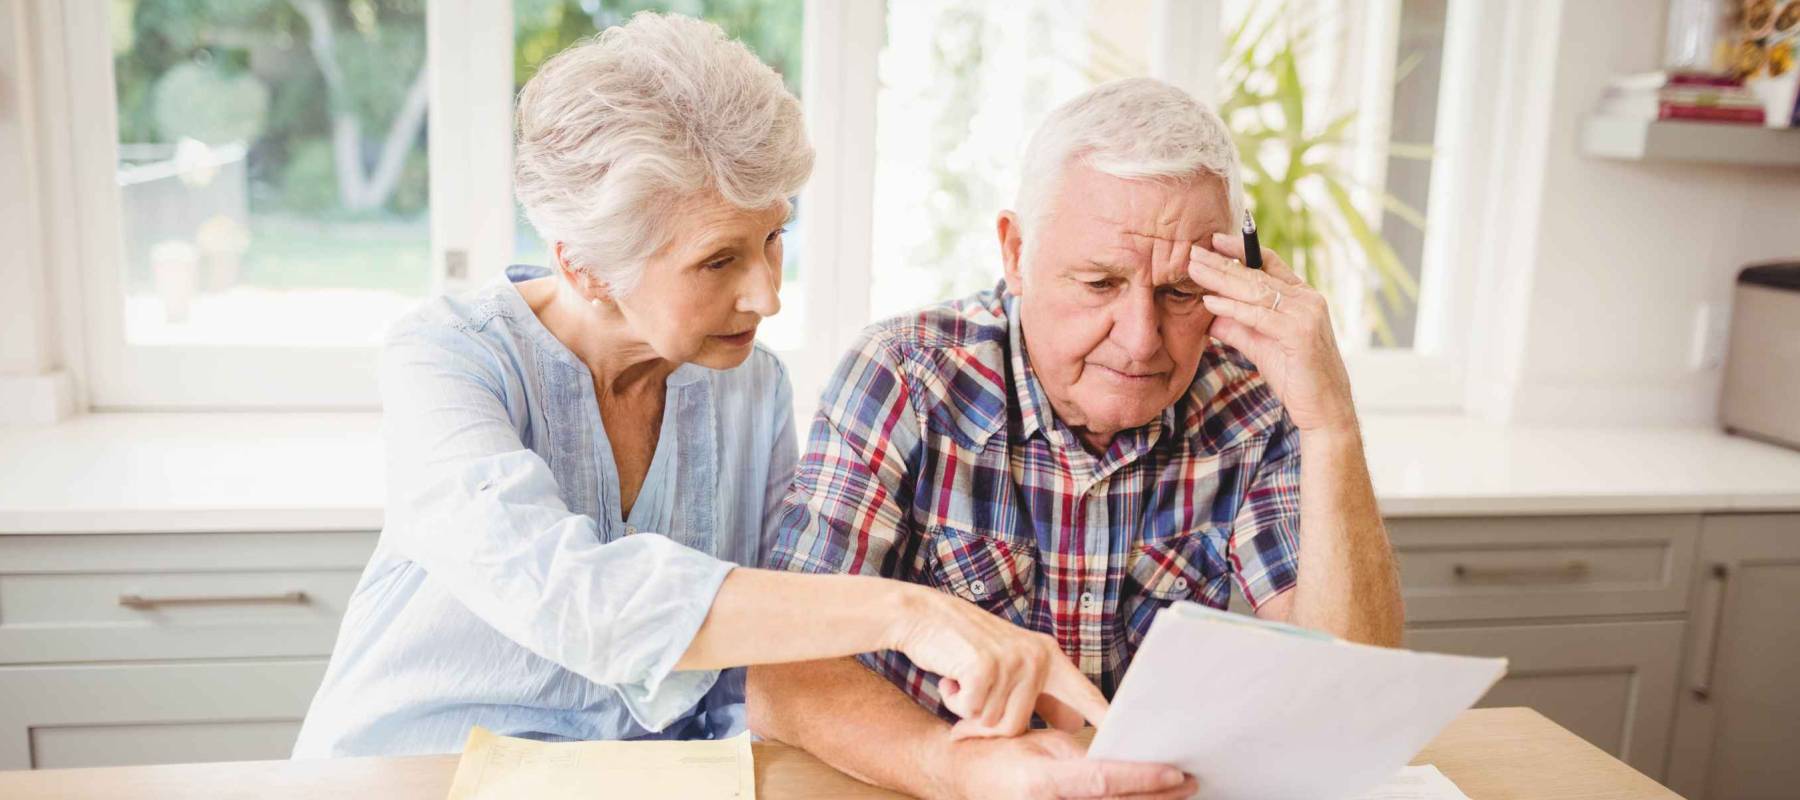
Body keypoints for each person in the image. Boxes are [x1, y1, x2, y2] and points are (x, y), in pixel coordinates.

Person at [291, 12, 1102, 759]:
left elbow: (758, 654)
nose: (766, 295)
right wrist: (912, 613)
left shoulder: (749, 386)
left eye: (773, 238)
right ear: (585, 264)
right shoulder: (446, 360)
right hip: (410, 771)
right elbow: (575, 601)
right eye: (719, 260)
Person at [749, 78, 1405, 799]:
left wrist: (1330, 422)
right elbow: (783, 674)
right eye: (1099, 283)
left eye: (1180, 293)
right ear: (1016, 252)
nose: (1140, 339)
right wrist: (955, 767)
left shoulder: (1250, 399)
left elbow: (1346, 695)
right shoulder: (907, 374)